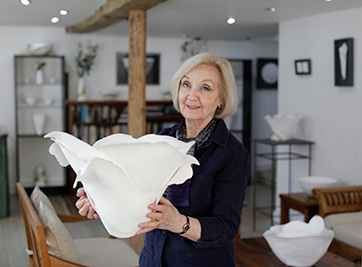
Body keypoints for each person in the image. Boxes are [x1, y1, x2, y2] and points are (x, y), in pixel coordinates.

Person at [76, 53, 249, 266]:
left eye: (205, 88)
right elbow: (133, 190)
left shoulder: (232, 154)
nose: (192, 96)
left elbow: (226, 228)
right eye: (186, 84)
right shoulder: (160, 140)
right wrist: (100, 198)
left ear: (221, 99)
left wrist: (177, 222)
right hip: (153, 259)